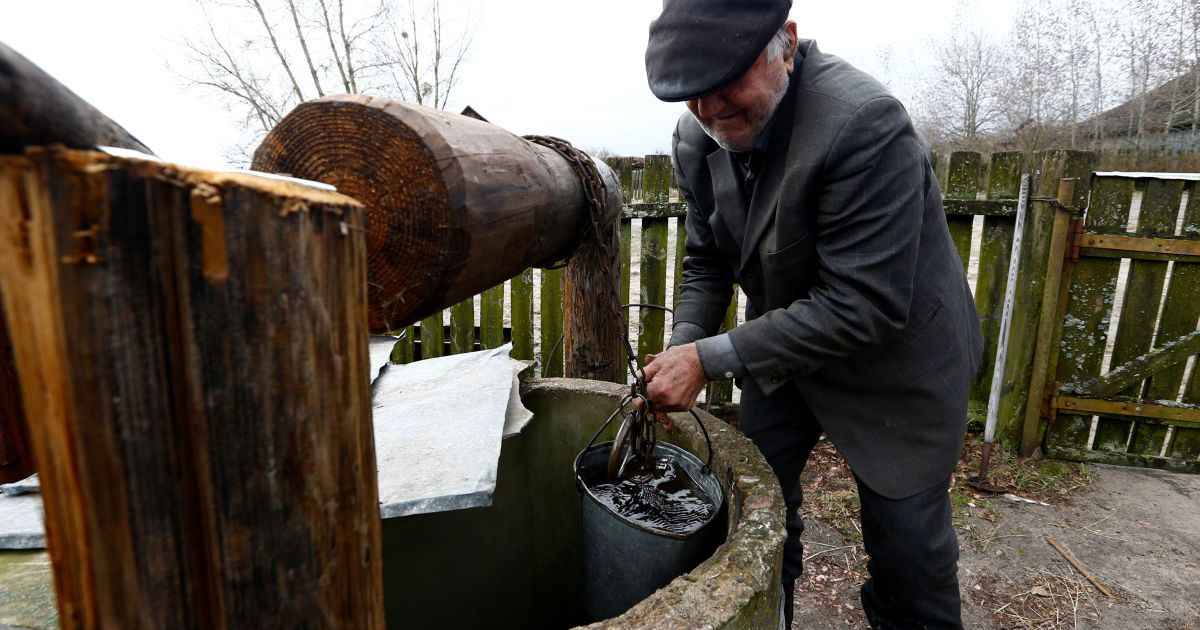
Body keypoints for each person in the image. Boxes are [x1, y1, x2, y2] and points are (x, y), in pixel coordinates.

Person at [639, 1, 984, 628]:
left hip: (896, 365)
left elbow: (864, 307)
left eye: (727, 83)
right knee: (759, 526)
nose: (710, 109)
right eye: (692, 94)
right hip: (785, 355)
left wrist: (709, 359)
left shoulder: (866, 125)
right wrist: (684, 343)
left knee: (909, 566)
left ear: (787, 45)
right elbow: (707, 262)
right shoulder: (697, 138)